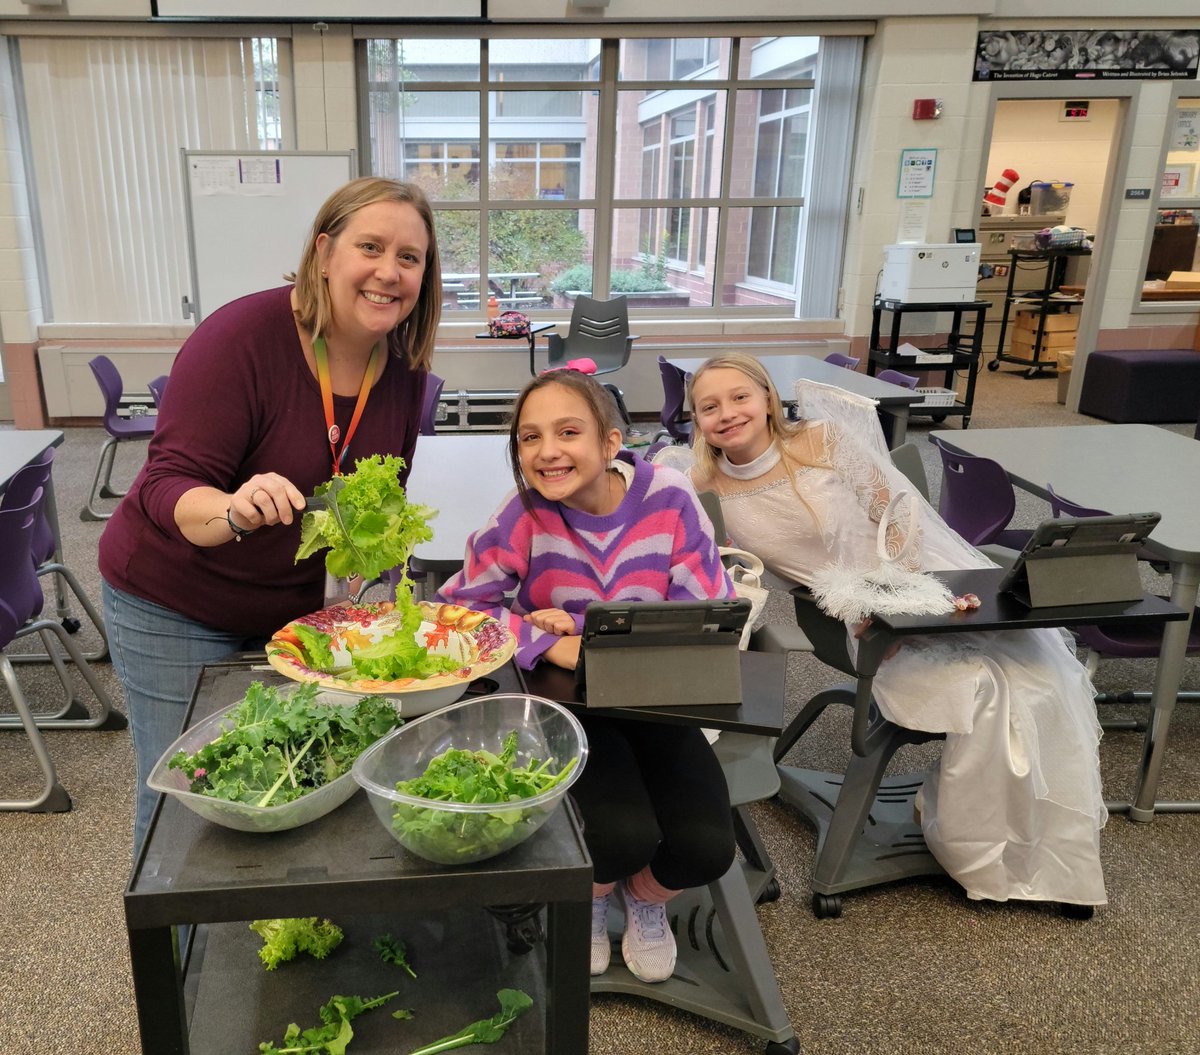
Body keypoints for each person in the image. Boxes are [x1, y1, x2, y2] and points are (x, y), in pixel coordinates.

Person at [687, 353, 1108, 909]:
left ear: (767, 397)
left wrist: (899, 594)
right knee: (981, 690)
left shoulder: (821, 438)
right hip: (849, 618)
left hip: (916, 580)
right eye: (709, 406)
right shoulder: (701, 481)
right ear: (696, 420)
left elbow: (900, 513)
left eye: (740, 397)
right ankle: (971, 844)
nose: (728, 414)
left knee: (1041, 679)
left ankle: (1036, 850)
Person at [99, 176, 442, 853]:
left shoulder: (401, 365)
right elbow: (169, 484)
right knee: (186, 796)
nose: (389, 271)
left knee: (290, 777)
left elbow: (373, 502)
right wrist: (232, 508)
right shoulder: (242, 339)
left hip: (294, 617)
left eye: (410, 257)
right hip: (174, 601)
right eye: (370, 246)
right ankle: (170, 950)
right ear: (323, 251)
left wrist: (376, 590)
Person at [436, 368, 736, 982]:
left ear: (608, 442)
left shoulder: (670, 497)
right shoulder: (521, 515)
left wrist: (600, 632)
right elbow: (457, 609)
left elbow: (709, 609)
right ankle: (594, 897)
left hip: (657, 699)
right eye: (528, 438)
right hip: (570, 707)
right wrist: (540, 639)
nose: (547, 452)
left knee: (707, 846)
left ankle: (642, 901)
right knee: (617, 835)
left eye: (568, 432)